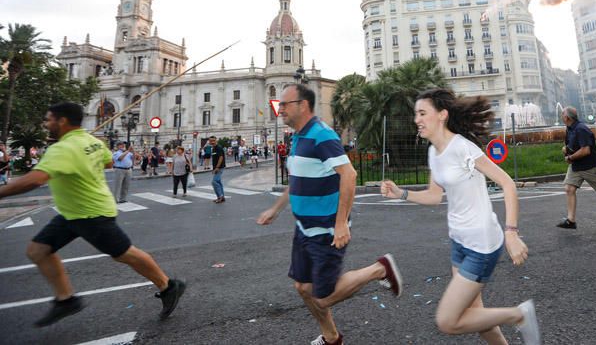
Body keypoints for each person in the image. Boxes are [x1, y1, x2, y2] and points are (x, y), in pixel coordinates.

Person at [0, 102, 186, 326]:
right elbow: (108, 161)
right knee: (38, 250)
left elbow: (36, 179)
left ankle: (168, 286)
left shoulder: (62, 149)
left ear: (62, 121)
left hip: (91, 213)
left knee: (124, 253)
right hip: (71, 213)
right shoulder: (91, 141)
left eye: (49, 119)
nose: (46, 124)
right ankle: (65, 299)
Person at [381, 88, 540, 344]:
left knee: (448, 320)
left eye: (422, 113)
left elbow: (507, 184)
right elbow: (434, 196)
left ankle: (518, 314)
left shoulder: (462, 148)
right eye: (416, 114)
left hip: (482, 244)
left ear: (441, 115)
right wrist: (401, 193)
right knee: (477, 316)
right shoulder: (434, 152)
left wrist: (511, 233)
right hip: (459, 242)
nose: (416, 119)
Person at [257, 84, 402, 345]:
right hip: (304, 228)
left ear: (303, 105)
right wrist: (275, 209)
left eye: (285, 105)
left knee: (322, 296)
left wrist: (340, 224)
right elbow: (298, 180)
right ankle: (332, 337)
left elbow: (349, 175)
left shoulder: (322, 135)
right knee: (303, 287)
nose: (280, 110)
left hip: (325, 229)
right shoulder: (299, 137)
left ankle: (380, 269)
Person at [209, 136, 226, 203]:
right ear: (209, 141)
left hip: (219, 167)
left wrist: (217, 168)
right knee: (218, 182)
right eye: (211, 141)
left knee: (214, 182)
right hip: (216, 168)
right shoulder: (213, 148)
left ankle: (220, 197)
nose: (212, 142)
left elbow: (221, 157)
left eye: (213, 140)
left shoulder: (218, 147)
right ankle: (222, 197)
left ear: (216, 140)